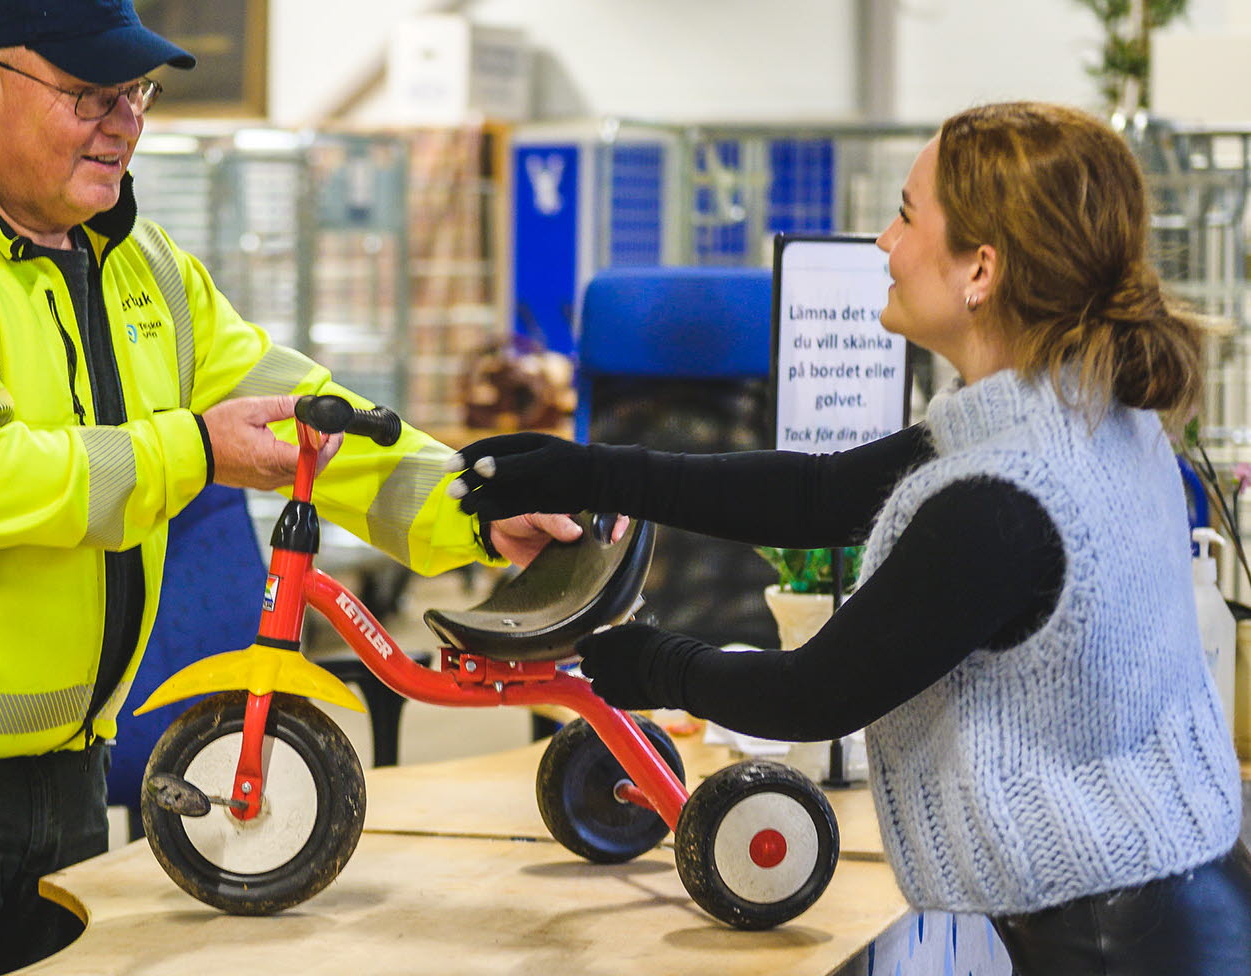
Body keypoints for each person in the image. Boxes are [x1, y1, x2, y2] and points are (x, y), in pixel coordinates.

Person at [0, 0, 574, 976]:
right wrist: (191, 450)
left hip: (64, 769)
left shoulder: (143, 269)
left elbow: (303, 417)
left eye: (137, 94)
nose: (124, 123)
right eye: (93, 96)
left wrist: (468, 503)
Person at [450, 101, 1251, 973]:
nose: (883, 243)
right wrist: (587, 472)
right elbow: (819, 496)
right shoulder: (1077, 413)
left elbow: (814, 695)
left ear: (981, 269)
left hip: (1122, 941)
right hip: (1169, 898)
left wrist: (646, 664)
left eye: (907, 216)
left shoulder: (1007, 496)